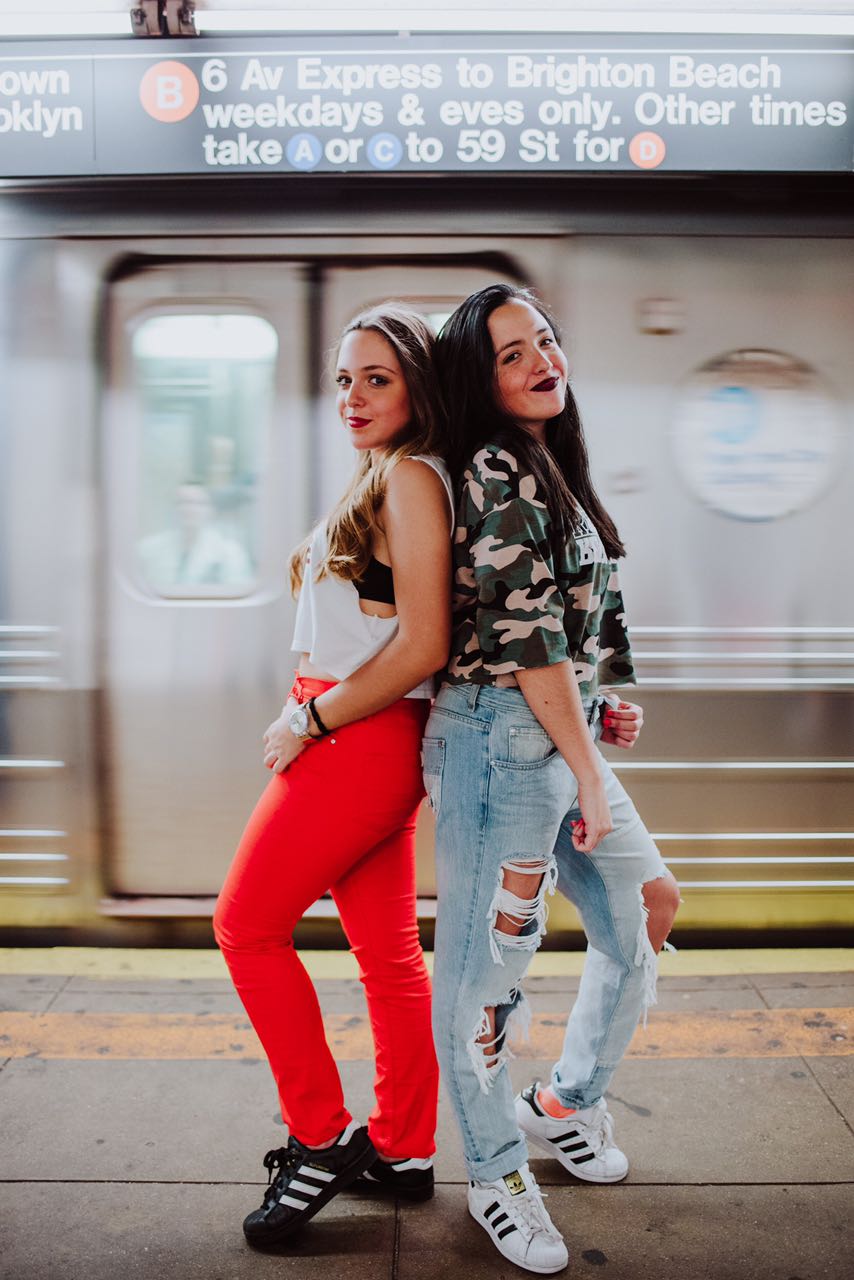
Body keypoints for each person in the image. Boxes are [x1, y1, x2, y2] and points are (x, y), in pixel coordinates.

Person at [427, 284, 680, 1274]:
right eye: (510, 354)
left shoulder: (553, 463)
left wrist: (605, 704)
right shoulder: (493, 468)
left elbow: (578, 628)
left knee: (646, 908)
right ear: (478, 380)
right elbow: (527, 642)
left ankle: (566, 1102)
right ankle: (495, 1175)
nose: (541, 360)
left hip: (556, 731)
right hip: (498, 743)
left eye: (543, 340)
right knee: (483, 980)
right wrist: (588, 769)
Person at [213, 303, 454, 1249]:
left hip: (357, 738)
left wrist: (309, 719)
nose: (353, 395)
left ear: (419, 386)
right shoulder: (385, 473)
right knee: (389, 958)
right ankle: (402, 1150)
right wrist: (303, 705)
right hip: (360, 732)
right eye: (345, 378)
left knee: (244, 927)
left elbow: (423, 644)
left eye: (377, 378)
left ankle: (318, 1139)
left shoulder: (412, 479)